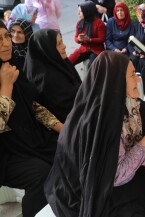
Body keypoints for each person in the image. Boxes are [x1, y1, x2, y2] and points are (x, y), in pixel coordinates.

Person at [44, 51, 145, 217]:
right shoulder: (100, 121)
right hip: (89, 196)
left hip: (113, 181)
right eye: (132, 75)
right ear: (116, 81)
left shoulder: (127, 102)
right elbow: (116, 175)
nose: (138, 79)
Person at [0, 22, 63, 217]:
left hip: (26, 140)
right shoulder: (8, 75)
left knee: (65, 151)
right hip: (4, 152)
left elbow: (32, 106)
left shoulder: (14, 65)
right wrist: (6, 86)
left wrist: (63, 128)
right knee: (41, 173)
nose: (5, 43)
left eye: (6, 36)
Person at [24, 29, 82, 123]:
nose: (64, 46)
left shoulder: (61, 63)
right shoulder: (45, 80)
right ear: (47, 49)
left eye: (61, 42)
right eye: (58, 44)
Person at [68, 1, 106, 69]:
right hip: (84, 48)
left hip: (96, 49)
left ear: (87, 12)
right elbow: (76, 37)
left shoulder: (99, 23)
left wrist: (90, 39)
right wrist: (78, 39)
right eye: (78, 11)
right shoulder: (80, 23)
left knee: (91, 67)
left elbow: (102, 39)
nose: (78, 13)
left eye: (80, 11)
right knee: (68, 62)